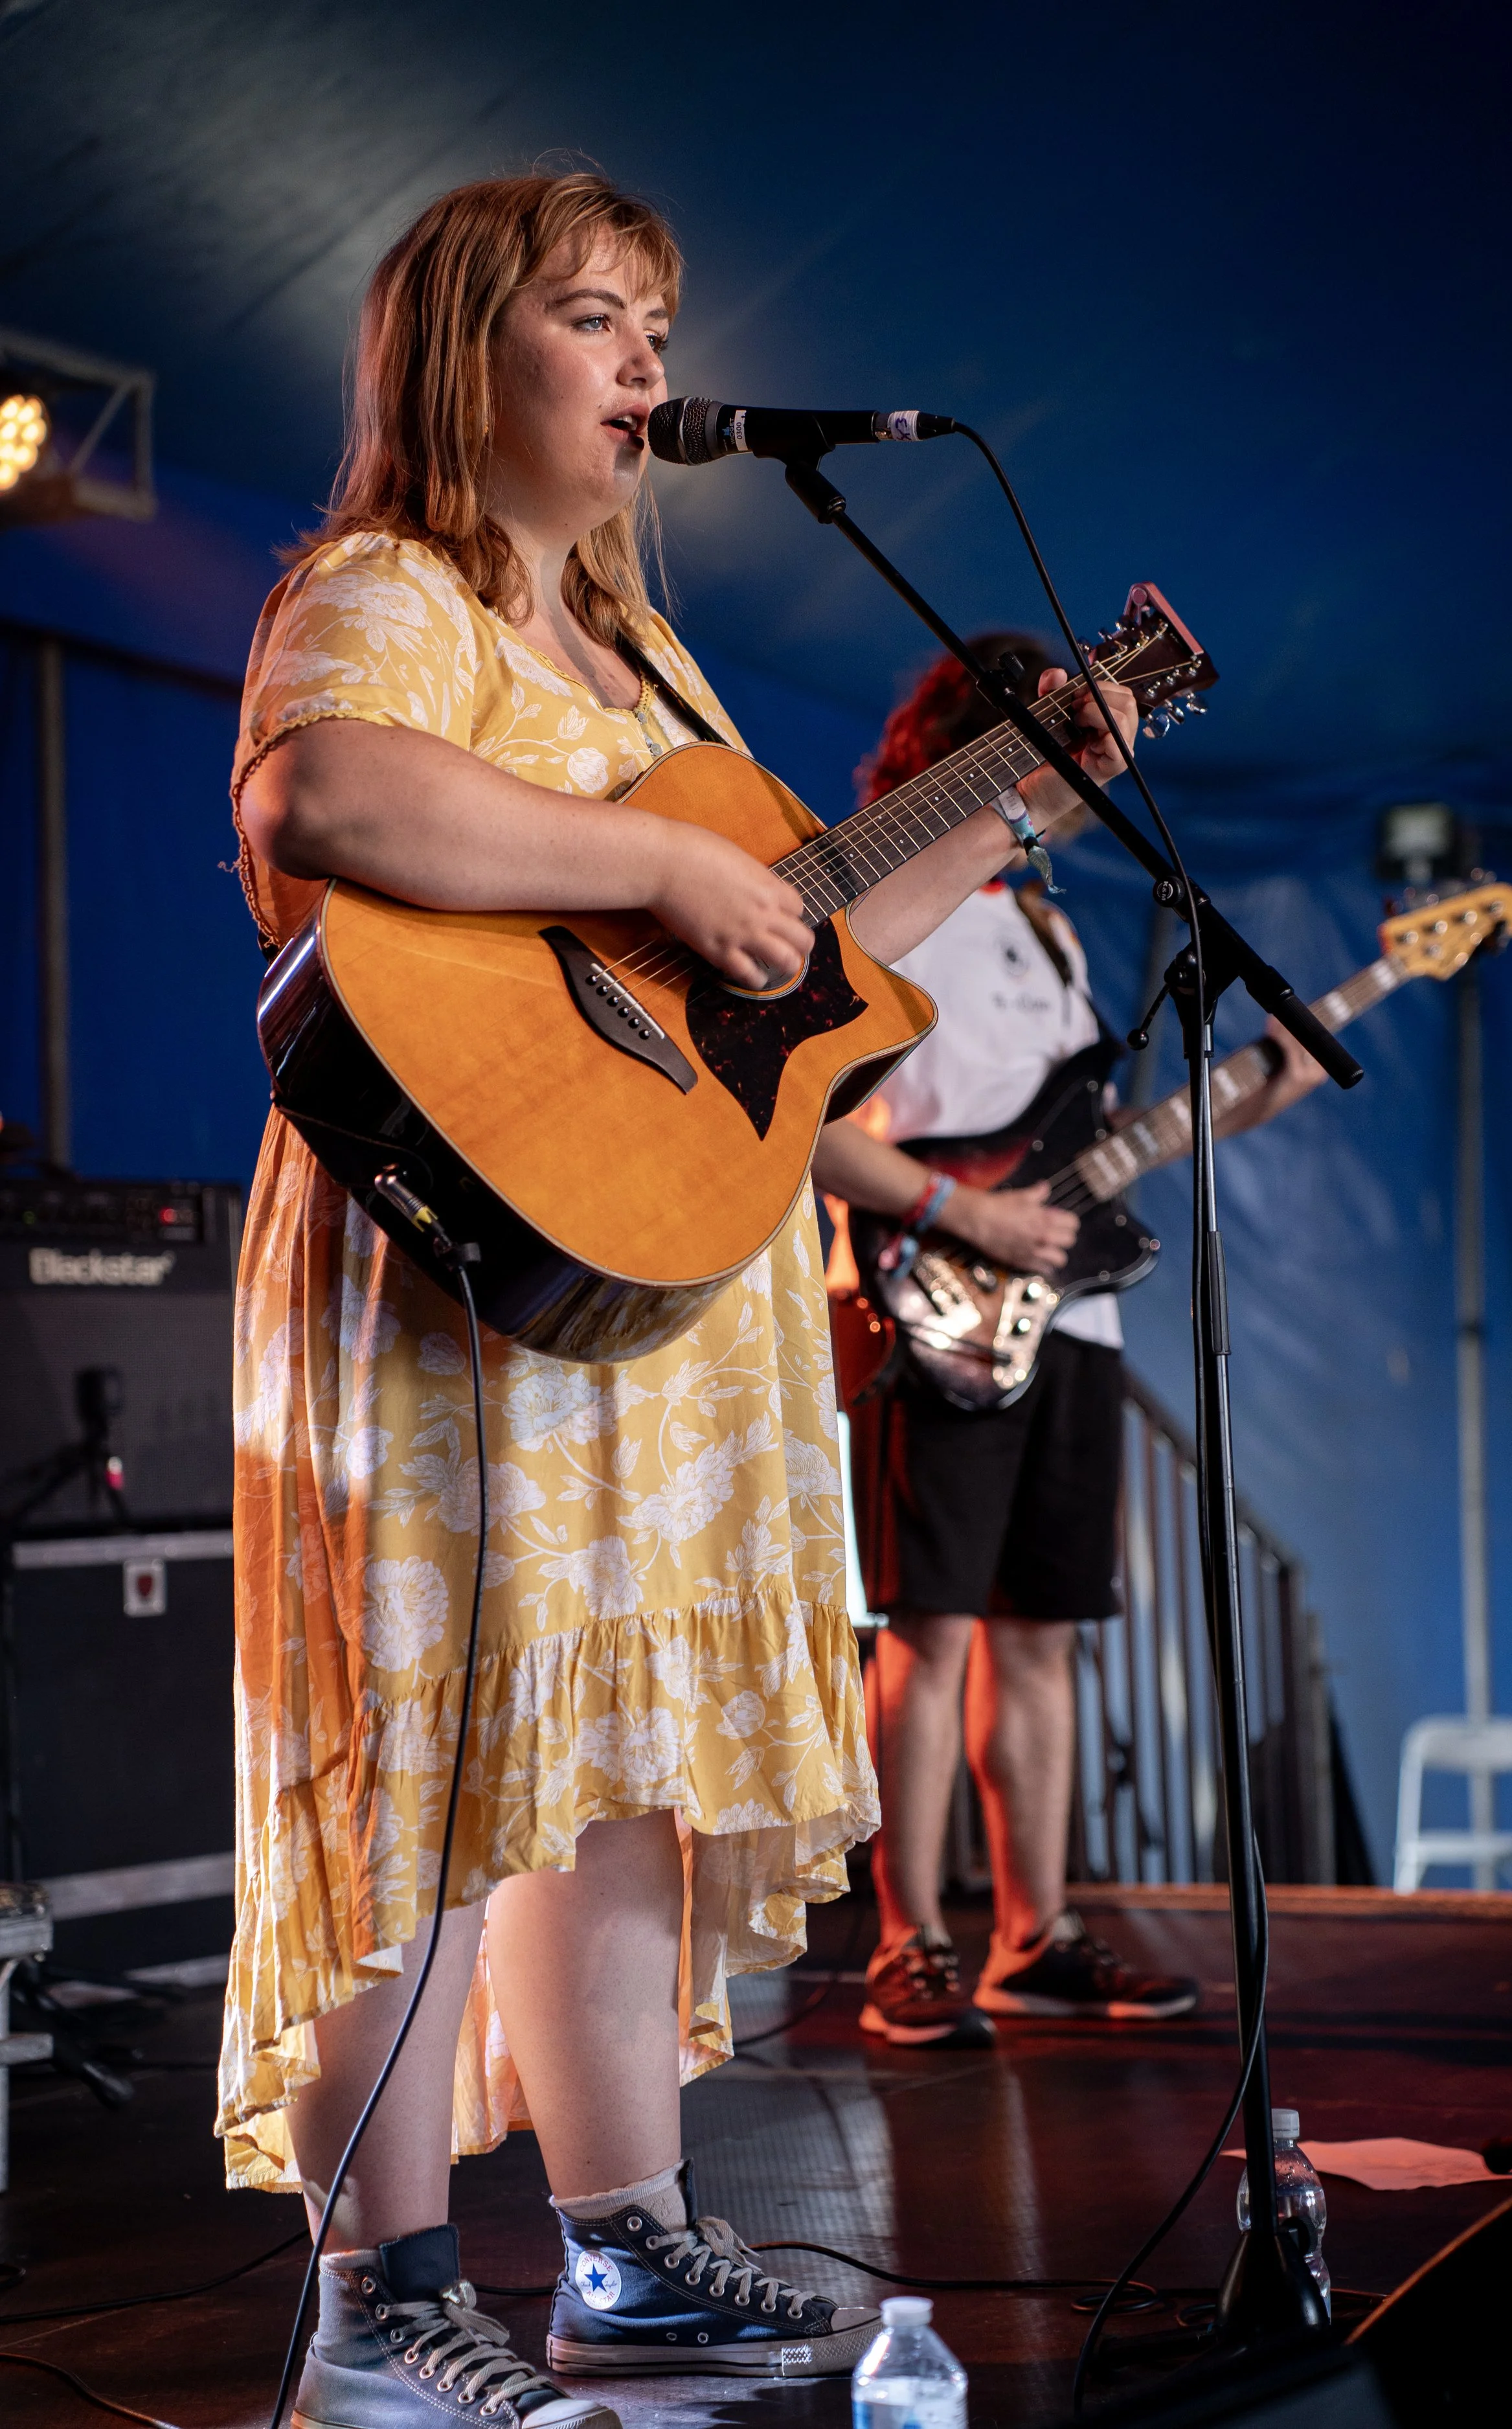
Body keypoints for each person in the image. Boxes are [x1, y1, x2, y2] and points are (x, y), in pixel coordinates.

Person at [222, 179, 1140, 2428]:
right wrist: (648, 856)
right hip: (445, 1257)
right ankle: (383, 2297)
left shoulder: (649, 666)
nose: (648, 365)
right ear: (468, 357)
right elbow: (322, 794)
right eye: (594, 320)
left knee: (612, 1771)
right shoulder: (389, 591)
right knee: (438, 1768)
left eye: (658, 325)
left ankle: (623, 2252)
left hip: (650, 1279)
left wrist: (1019, 803)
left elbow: (810, 961)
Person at [812, 636, 1326, 2049]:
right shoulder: (877, 907)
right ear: (969, 752)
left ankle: (1029, 1936)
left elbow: (1078, 1143)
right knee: (929, 1632)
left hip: (1072, 1314)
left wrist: (1236, 1103)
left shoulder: (1045, 926)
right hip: (935, 1310)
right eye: (1048, 741)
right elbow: (795, 1129)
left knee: (1038, 1638)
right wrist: (955, 1218)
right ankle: (905, 1943)